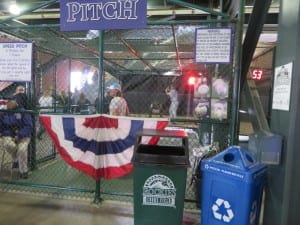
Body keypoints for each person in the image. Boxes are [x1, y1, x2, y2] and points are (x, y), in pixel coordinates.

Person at [0, 93, 33, 179]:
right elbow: (2, 126)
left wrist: (19, 135)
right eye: (6, 101)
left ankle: (23, 171)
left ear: (15, 102)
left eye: (10, 101)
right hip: (9, 135)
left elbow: (29, 126)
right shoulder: (3, 112)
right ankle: (16, 159)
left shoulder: (23, 111)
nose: (7, 103)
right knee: (8, 144)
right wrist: (7, 134)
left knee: (22, 150)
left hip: (23, 136)